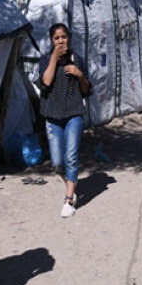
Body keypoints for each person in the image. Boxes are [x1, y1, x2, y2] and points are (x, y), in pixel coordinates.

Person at [37, 23, 92, 218]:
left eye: (64, 37)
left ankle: (69, 199)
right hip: (52, 115)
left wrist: (79, 74)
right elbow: (45, 82)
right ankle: (70, 182)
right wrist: (54, 58)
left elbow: (87, 90)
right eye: (57, 38)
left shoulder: (78, 60)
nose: (61, 41)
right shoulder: (45, 60)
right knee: (57, 161)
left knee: (71, 156)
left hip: (73, 113)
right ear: (52, 41)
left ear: (69, 38)